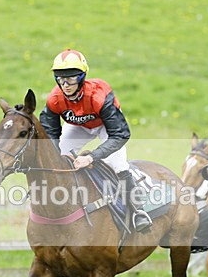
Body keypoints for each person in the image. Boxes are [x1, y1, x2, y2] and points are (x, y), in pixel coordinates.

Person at [39, 49, 152, 232]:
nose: (65, 84)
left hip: (107, 127)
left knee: (118, 165)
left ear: (82, 77)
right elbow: (50, 133)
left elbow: (121, 134)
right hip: (79, 127)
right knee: (57, 155)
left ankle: (138, 211)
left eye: (71, 78)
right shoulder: (54, 99)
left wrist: (91, 157)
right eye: (60, 79)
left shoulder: (99, 95)